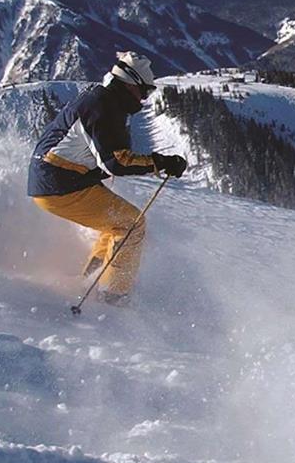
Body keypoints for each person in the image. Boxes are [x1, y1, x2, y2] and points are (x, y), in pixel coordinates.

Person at [28, 53, 188, 306]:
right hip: (59, 185)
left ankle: (92, 280)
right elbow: (116, 162)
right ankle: (113, 297)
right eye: (144, 91)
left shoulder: (103, 99)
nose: (144, 98)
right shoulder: (102, 107)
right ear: (130, 84)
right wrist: (163, 162)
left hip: (60, 179)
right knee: (131, 225)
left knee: (114, 227)